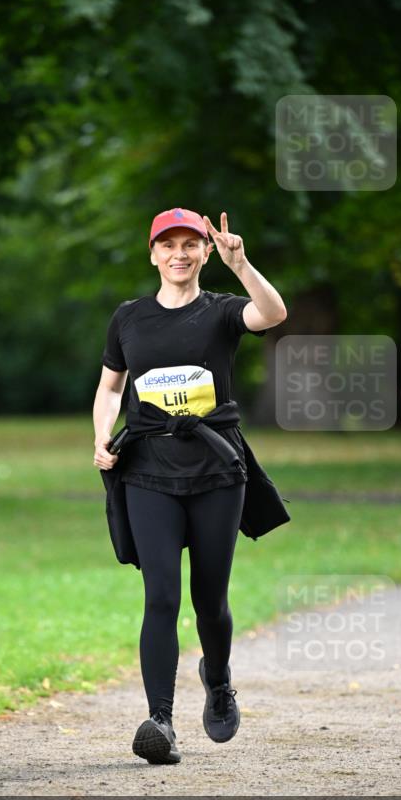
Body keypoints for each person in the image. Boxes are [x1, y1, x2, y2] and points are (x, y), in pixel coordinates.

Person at [92, 208, 287, 765]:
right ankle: (161, 721)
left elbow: (273, 313)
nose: (179, 253)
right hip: (148, 471)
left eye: (190, 244)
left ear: (204, 253)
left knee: (209, 600)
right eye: (168, 244)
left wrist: (242, 264)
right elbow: (110, 388)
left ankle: (219, 679)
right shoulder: (128, 318)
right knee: (160, 596)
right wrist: (102, 435)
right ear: (153, 253)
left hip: (216, 472)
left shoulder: (223, 311)